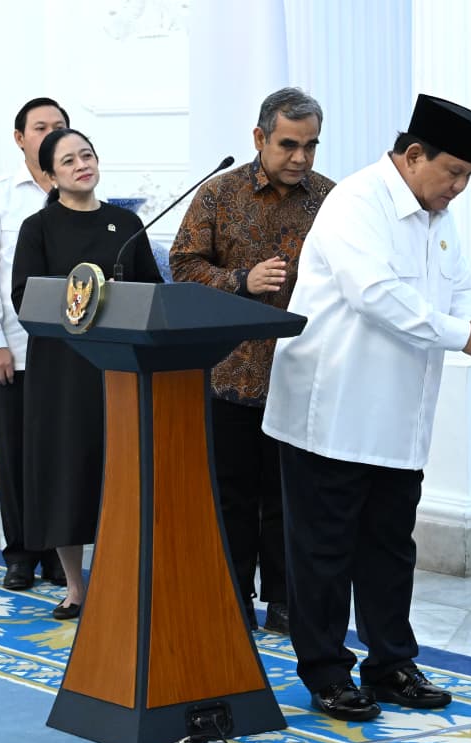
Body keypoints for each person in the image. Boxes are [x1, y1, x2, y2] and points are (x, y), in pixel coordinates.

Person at [262, 95, 471, 722]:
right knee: (324, 552)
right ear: (414, 155)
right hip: (330, 412)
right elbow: (375, 295)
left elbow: (460, 292)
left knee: (390, 546)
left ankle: (390, 662)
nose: (459, 189)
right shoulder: (357, 202)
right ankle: (326, 671)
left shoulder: (436, 214)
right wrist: (465, 334)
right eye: (453, 174)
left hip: (400, 416)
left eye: (469, 176)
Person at [170, 87, 335, 635]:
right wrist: (240, 281)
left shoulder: (332, 200)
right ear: (260, 137)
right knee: (233, 497)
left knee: (293, 498)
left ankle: (288, 600)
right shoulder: (219, 195)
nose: (301, 159)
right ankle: (232, 597)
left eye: (310, 146)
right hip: (231, 374)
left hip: (306, 371)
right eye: (289, 144)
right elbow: (183, 266)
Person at [10, 128, 163, 619]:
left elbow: (155, 293)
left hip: (120, 369)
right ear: (50, 174)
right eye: (69, 160)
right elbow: (23, 297)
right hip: (62, 375)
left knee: (119, 474)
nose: (82, 164)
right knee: (68, 473)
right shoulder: (39, 227)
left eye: (88, 155)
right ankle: (75, 586)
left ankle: (124, 580)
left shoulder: (127, 223)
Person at [0, 97, 70, 591]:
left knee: (61, 455)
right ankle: (20, 554)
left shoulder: (82, 193)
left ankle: (60, 554)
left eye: (59, 126)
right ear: (20, 138)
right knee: (16, 454)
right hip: (15, 347)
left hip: (72, 352)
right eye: (40, 127)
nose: (50, 133)